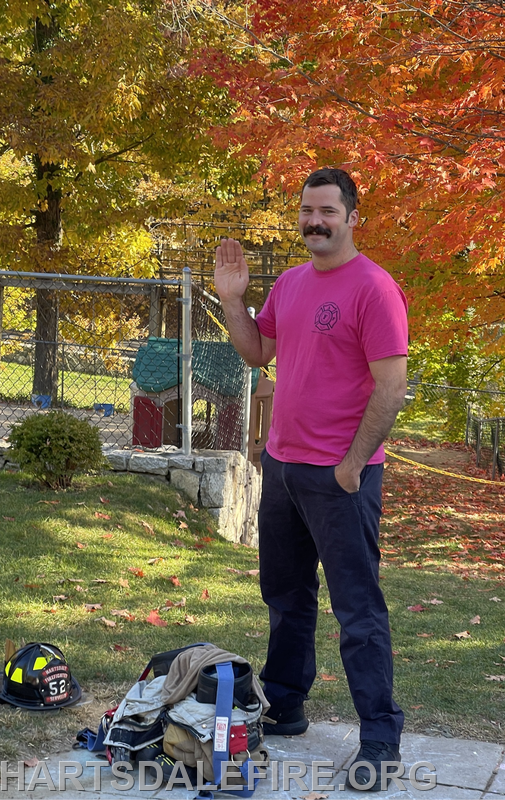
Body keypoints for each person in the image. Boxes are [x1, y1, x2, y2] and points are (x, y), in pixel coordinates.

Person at [214, 168, 408, 791]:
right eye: (305, 210)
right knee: (286, 597)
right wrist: (232, 300)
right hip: (284, 469)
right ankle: (287, 705)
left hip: (342, 478)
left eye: (327, 211)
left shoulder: (375, 289)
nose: (314, 221)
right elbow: (256, 354)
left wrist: (352, 465)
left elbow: (392, 386)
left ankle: (380, 737)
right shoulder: (292, 284)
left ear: (352, 217)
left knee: (359, 611)